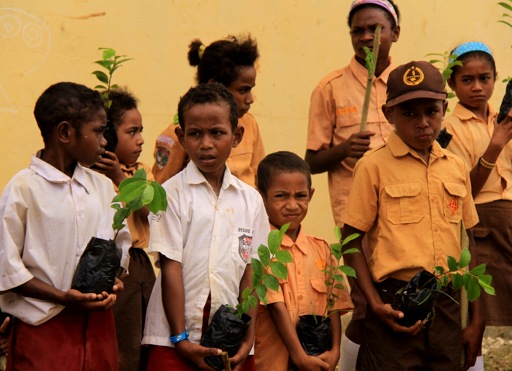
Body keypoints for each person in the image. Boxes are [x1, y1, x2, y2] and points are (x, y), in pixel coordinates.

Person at [340, 61, 484, 370]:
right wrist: (375, 304)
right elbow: (350, 241)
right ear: (388, 114)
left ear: (443, 109)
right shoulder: (373, 166)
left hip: (448, 303)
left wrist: (477, 318)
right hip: (396, 303)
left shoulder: (455, 167)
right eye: (409, 113)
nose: (423, 123)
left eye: (431, 111)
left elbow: (468, 239)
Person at [0, 82, 131, 370]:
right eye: (98, 131)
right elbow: (8, 271)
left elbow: (120, 245)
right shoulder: (23, 189)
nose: (105, 141)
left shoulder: (102, 187)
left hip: (99, 329)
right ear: (65, 133)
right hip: (44, 331)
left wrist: (114, 282)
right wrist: (63, 297)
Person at [142, 83, 270, 370]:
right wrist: (181, 338)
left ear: (236, 136)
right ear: (181, 137)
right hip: (173, 340)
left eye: (217, 133)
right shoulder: (170, 195)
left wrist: (248, 339)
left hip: (231, 340)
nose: (206, 143)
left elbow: (252, 271)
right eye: (195, 134)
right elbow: (170, 265)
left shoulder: (250, 200)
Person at [305, 1, 400, 368]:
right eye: (358, 31)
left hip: (404, 217)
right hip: (356, 221)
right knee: (363, 305)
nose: (366, 38)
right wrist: (345, 149)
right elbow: (310, 161)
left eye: (375, 29)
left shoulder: (408, 81)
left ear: (394, 33)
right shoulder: (329, 88)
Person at [444, 41, 512, 370]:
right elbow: (462, 191)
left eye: (484, 78)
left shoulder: (504, 119)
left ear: (496, 79)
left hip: (509, 223)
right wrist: (495, 146)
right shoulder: (449, 128)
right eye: (466, 80)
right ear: (451, 84)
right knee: (476, 314)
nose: (476, 87)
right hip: (479, 226)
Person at [254, 151, 353, 371]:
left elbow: (334, 305)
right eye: (281, 196)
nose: (292, 205)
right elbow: (276, 307)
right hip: (272, 361)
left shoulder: (322, 249)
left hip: (318, 359)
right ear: (261, 197)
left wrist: (335, 349)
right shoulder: (260, 248)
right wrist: (298, 356)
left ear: (311, 194)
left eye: (300, 196)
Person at [93, 89, 156, 371]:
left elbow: (154, 213)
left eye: (141, 131)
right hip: (114, 266)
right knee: (121, 347)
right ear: (107, 133)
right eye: (132, 132)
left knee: (146, 342)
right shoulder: (90, 175)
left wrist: (120, 176)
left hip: (141, 266)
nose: (141, 139)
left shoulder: (140, 172)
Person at [152, 34, 265, 187]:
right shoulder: (177, 134)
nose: (250, 99)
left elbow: (259, 178)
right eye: (243, 90)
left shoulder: (249, 123)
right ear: (215, 86)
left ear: (236, 135)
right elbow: (161, 192)